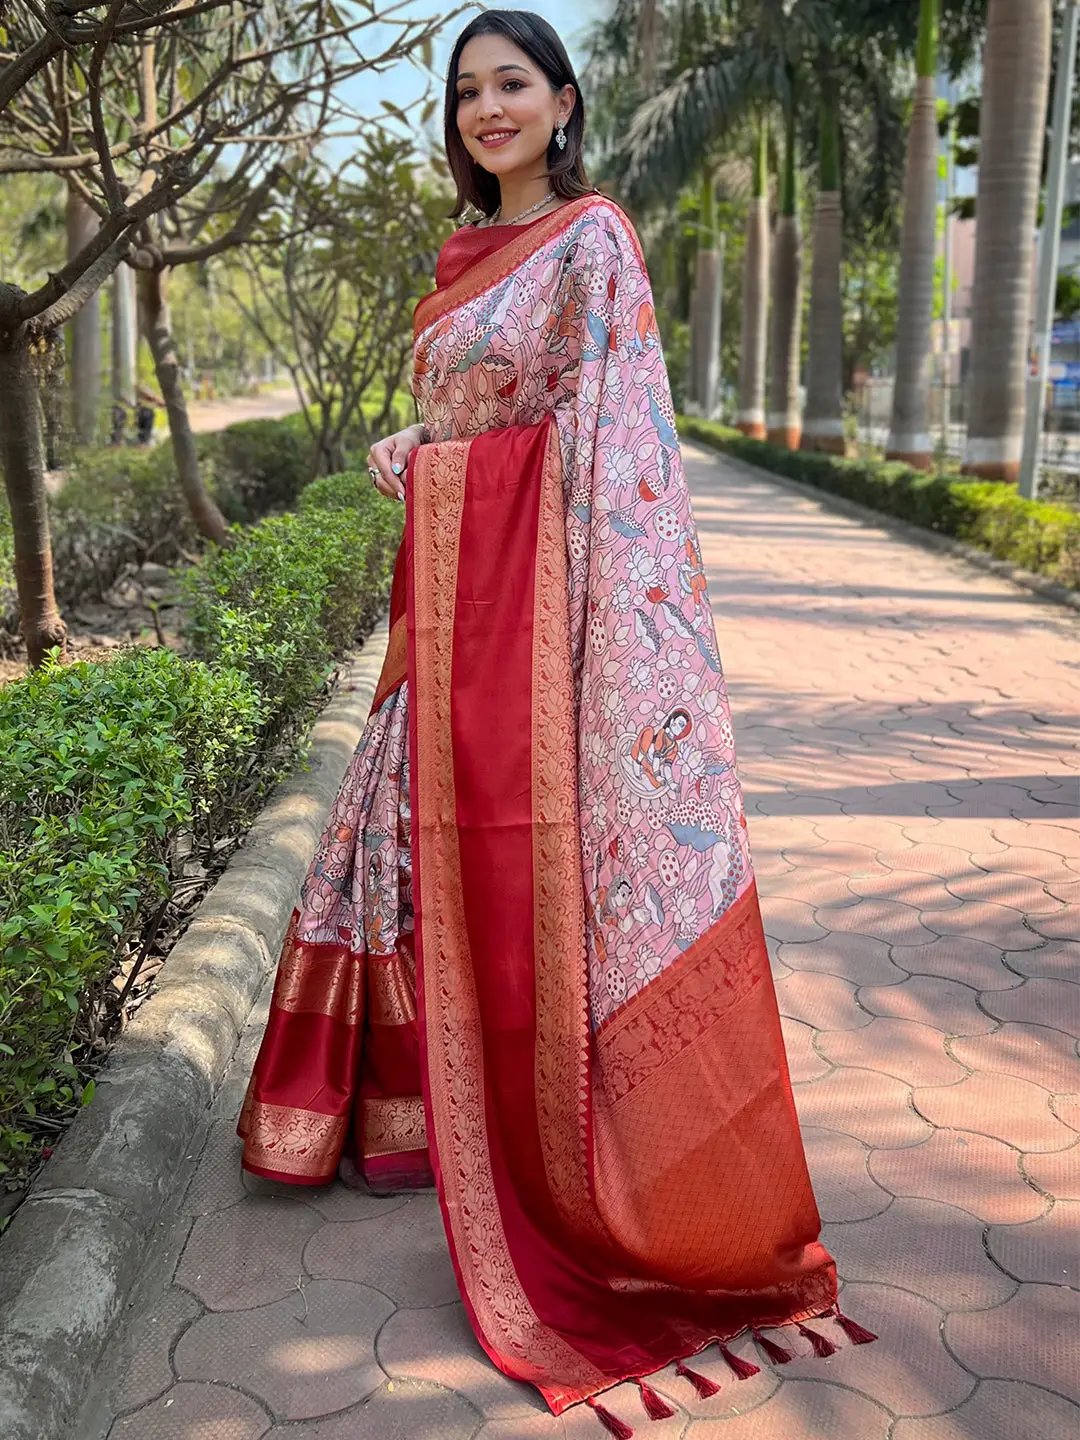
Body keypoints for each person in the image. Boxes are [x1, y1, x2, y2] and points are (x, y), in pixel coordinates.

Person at [239, 9, 873, 1429]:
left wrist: (476, 491)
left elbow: (617, 439)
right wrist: (418, 454)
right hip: (450, 618)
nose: (486, 108)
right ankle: (394, 1124)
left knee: (532, 873)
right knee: (392, 840)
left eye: (510, 83)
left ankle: (579, 1170)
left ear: (564, 99)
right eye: (464, 91)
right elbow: (467, 429)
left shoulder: (591, 241)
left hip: (540, 623)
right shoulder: (455, 265)